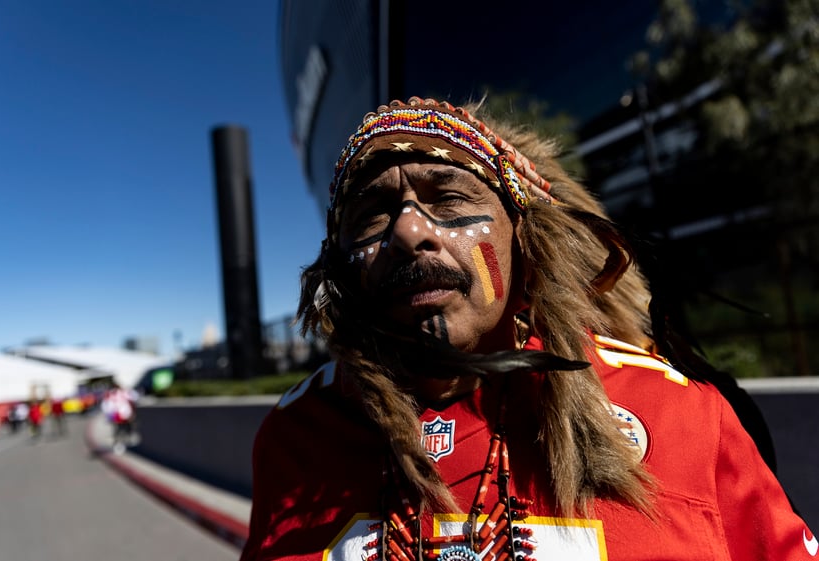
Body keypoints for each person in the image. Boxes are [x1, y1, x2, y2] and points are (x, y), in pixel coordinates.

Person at [239, 96, 814, 560]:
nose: (409, 231)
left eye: (451, 197)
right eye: (373, 214)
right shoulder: (296, 436)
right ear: (340, 265)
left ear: (526, 242)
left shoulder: (678, 411)